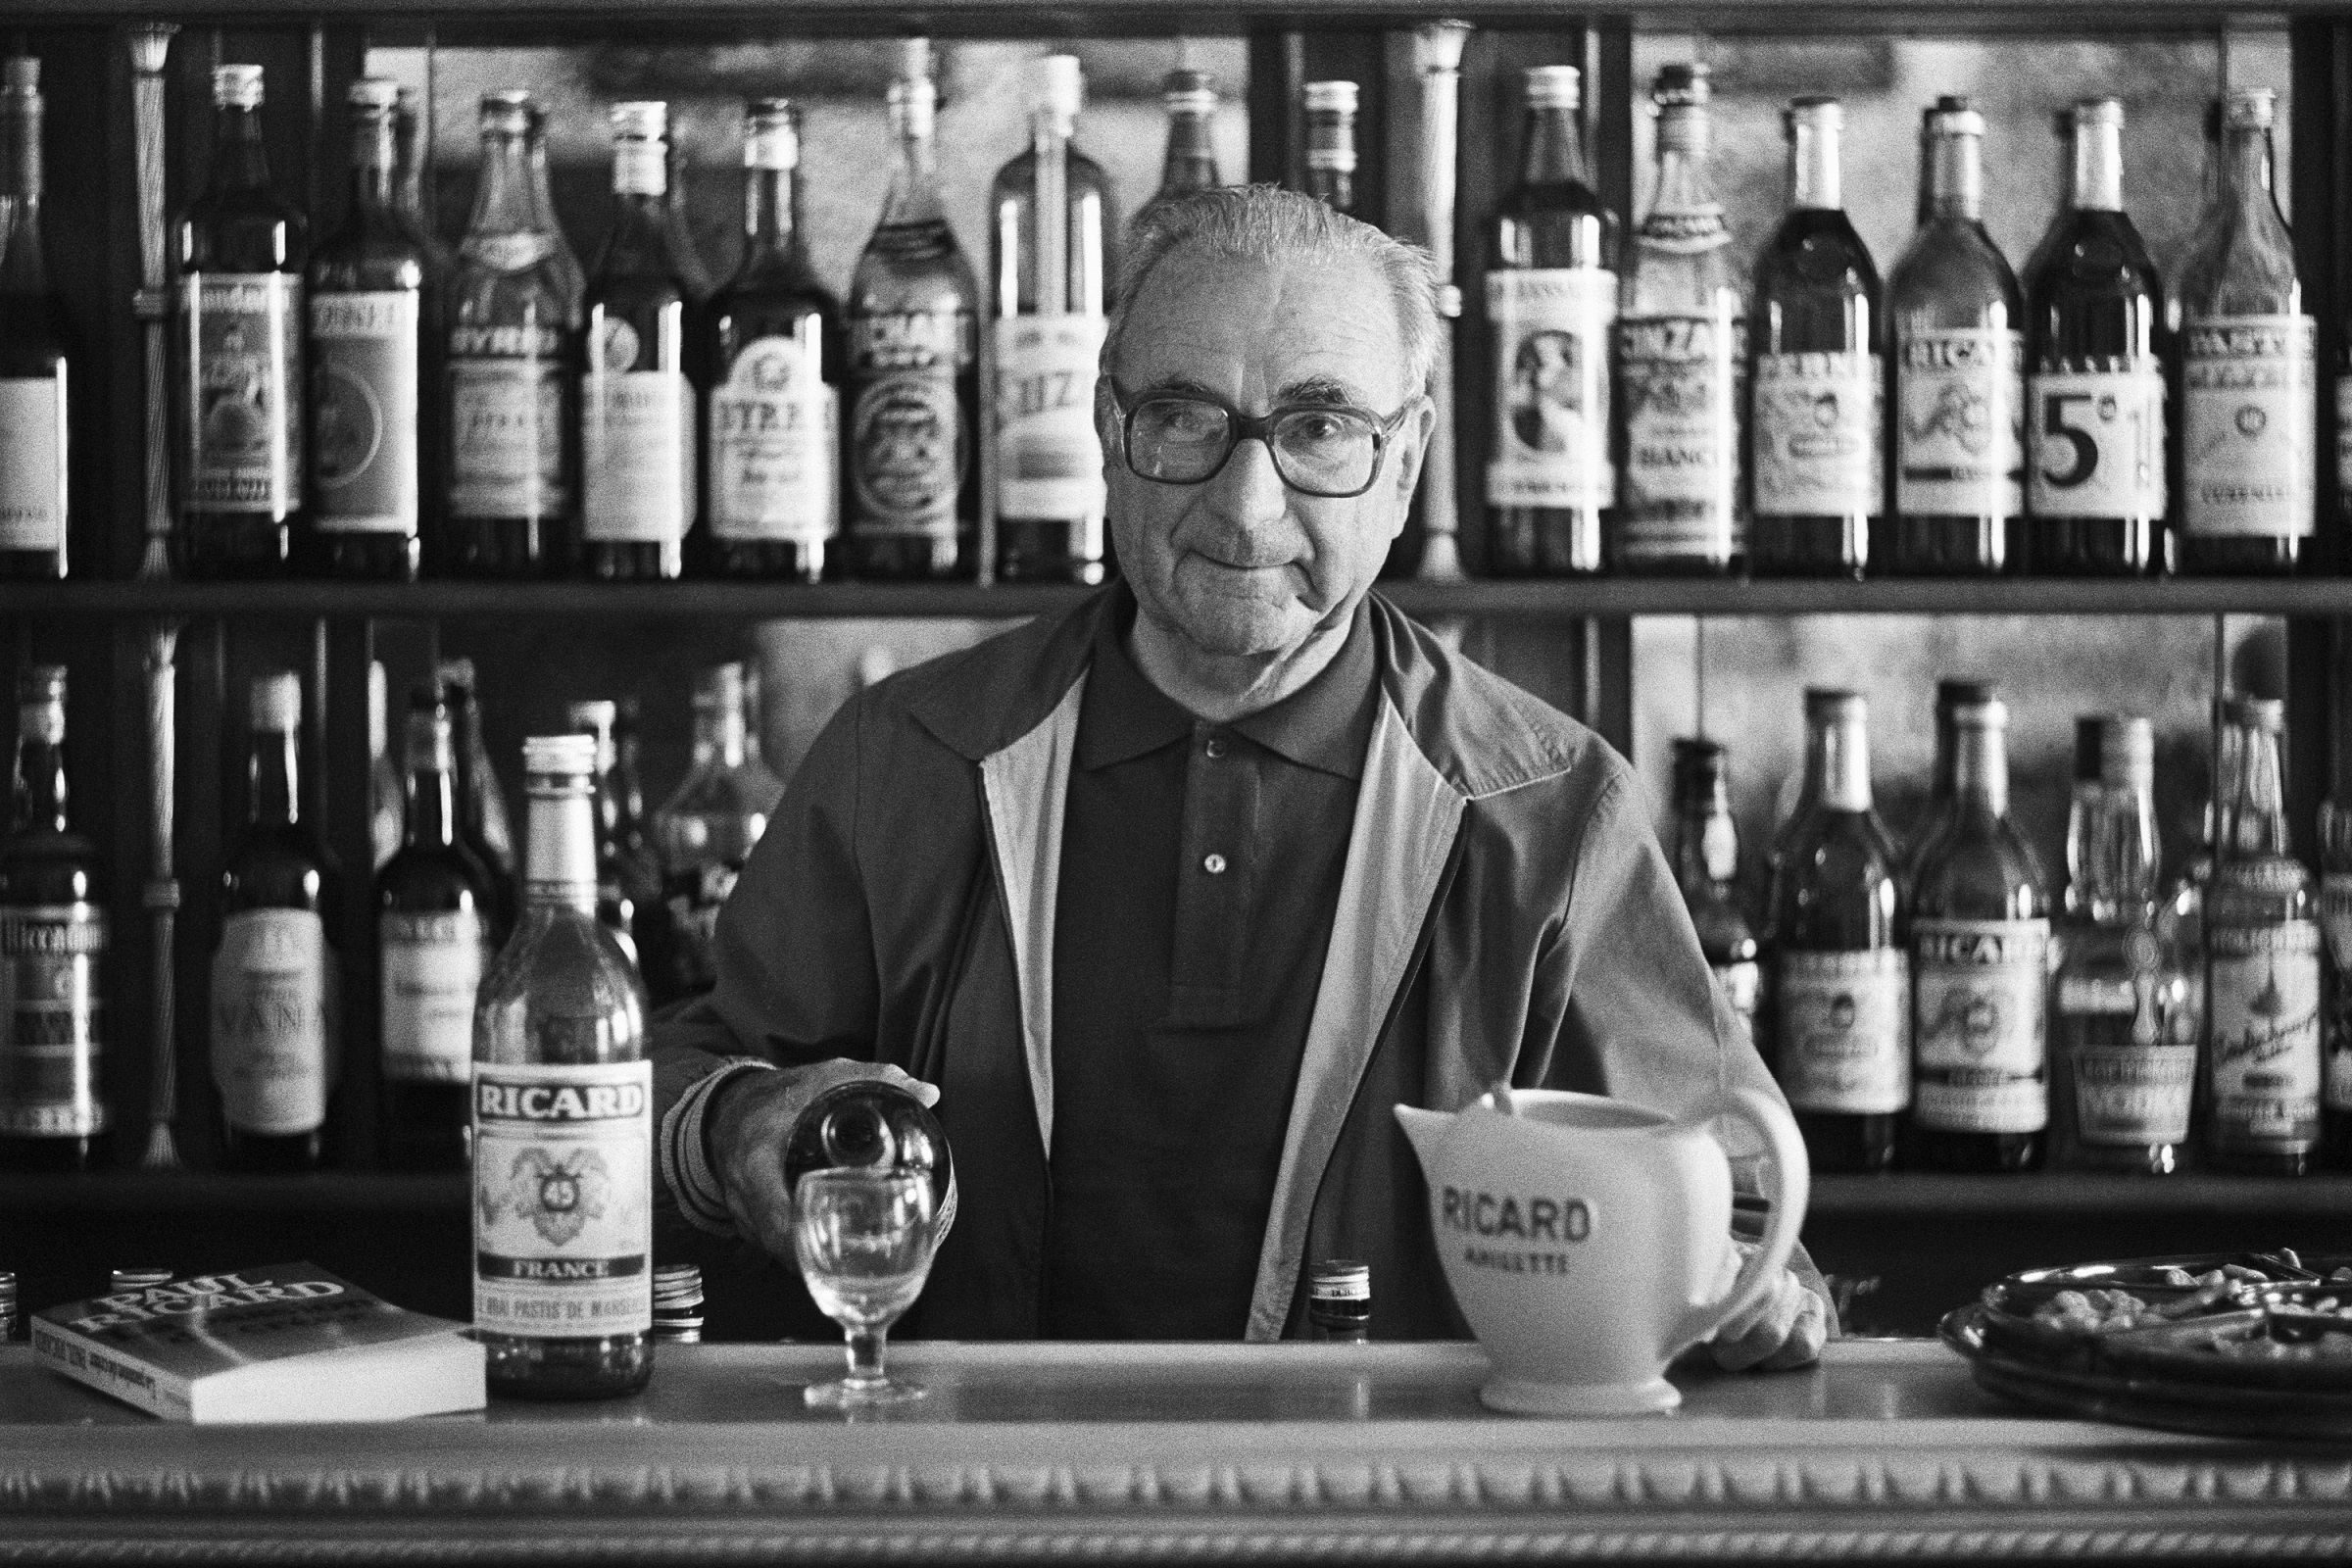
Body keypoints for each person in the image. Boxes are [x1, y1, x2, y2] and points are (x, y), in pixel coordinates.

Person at [650, 184, 1828, 1368]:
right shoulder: (901, 762)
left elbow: (1736, 1198)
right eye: (1182, 417)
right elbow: (678, 1088)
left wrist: (1746, 1287)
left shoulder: (1551, 811)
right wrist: (743, 1122)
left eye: (1320, 428)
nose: (1244, 503)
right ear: (1109, 433)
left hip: (1394, 1509)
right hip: (975, 1495)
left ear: (1406, 456)